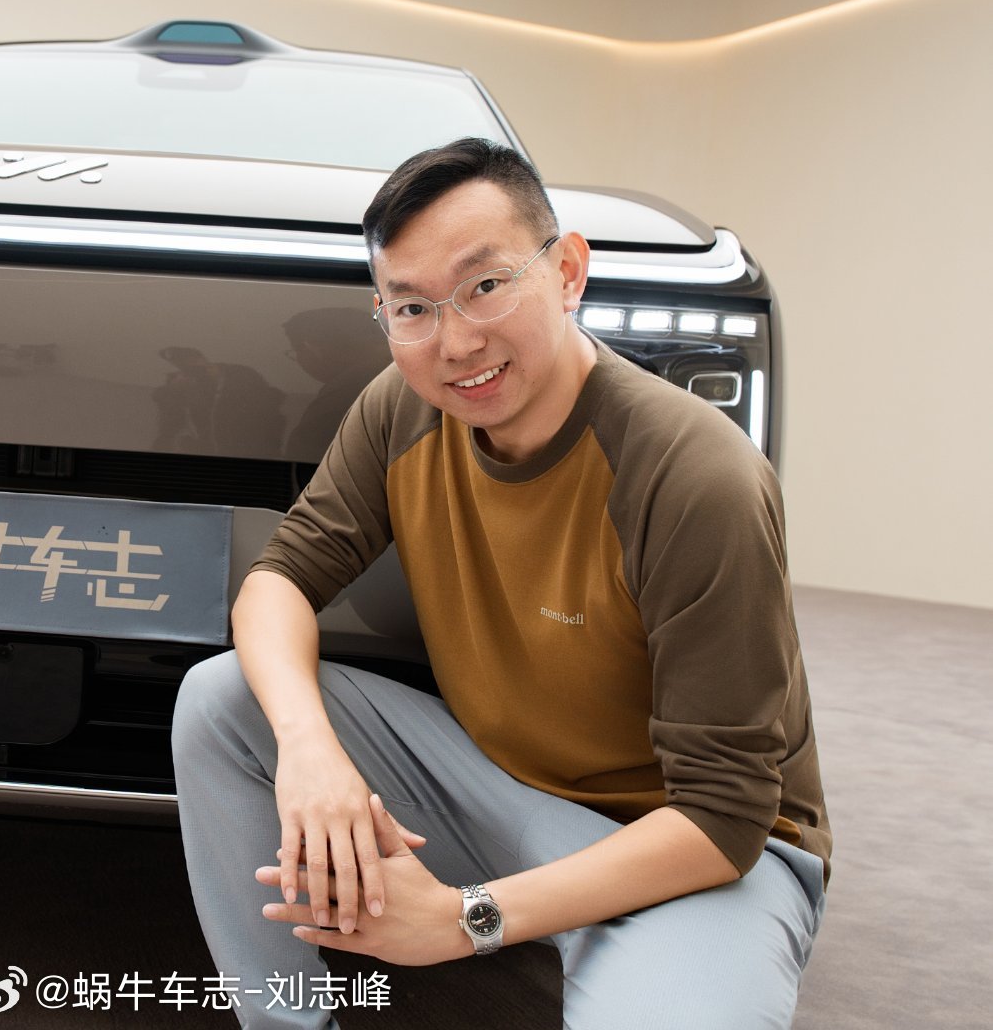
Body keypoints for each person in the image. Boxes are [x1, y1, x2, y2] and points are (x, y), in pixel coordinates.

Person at [171, 138, 831, 1030]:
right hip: (496, 790)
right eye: (413, 307)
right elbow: (278, 580)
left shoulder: (695, 477)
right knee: (224, 701)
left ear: (568, 272)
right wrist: (308, 750)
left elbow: (724, 817)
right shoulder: (403, 410)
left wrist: (465, 919)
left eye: (486, 285)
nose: (457, 342)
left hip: (690, 851)